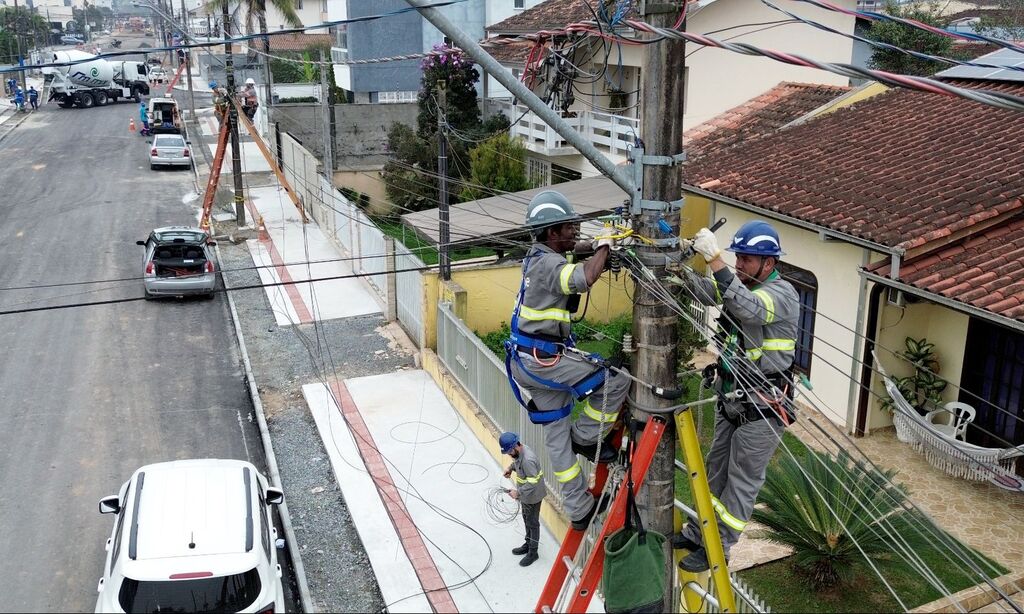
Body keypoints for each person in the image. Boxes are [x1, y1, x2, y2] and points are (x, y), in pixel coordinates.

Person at [671, 220, 799, 573]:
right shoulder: (742, 285)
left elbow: (749, 309)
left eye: (747, 259)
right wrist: (677, 272)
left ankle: (719, 548)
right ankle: (699, 533)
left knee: (741, 482)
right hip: (735, 400)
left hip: (764, 409)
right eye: (737, 258)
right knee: (715, 473)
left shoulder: (781, 294)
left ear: (768, 264)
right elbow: (714, 294)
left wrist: (715, 260)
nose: (739, 265)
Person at [505, 190, 630, 532]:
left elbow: (577, 253)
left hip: (526, 359)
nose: (575, 231)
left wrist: (601, 246)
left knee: (556, 436)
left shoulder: (537, 256)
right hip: (543, 358)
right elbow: (583, 278)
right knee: (616, 380)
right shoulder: (548, 263)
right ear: (551, 232)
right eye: (569, 226)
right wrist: (605, 246)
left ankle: (578, 507)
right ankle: (589, 436)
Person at [500, 432, 546, 567]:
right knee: (526, 519)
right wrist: (510, 468)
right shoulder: (520, 452)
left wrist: (517, 492)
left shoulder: (528, 460)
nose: (509, 454)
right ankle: (528, 543)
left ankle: (533, 552)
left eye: (509, 452)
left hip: (533, 496)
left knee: (532, 522)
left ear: (515, 446)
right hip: (525, 495)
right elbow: (517, 463)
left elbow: (533, 482)